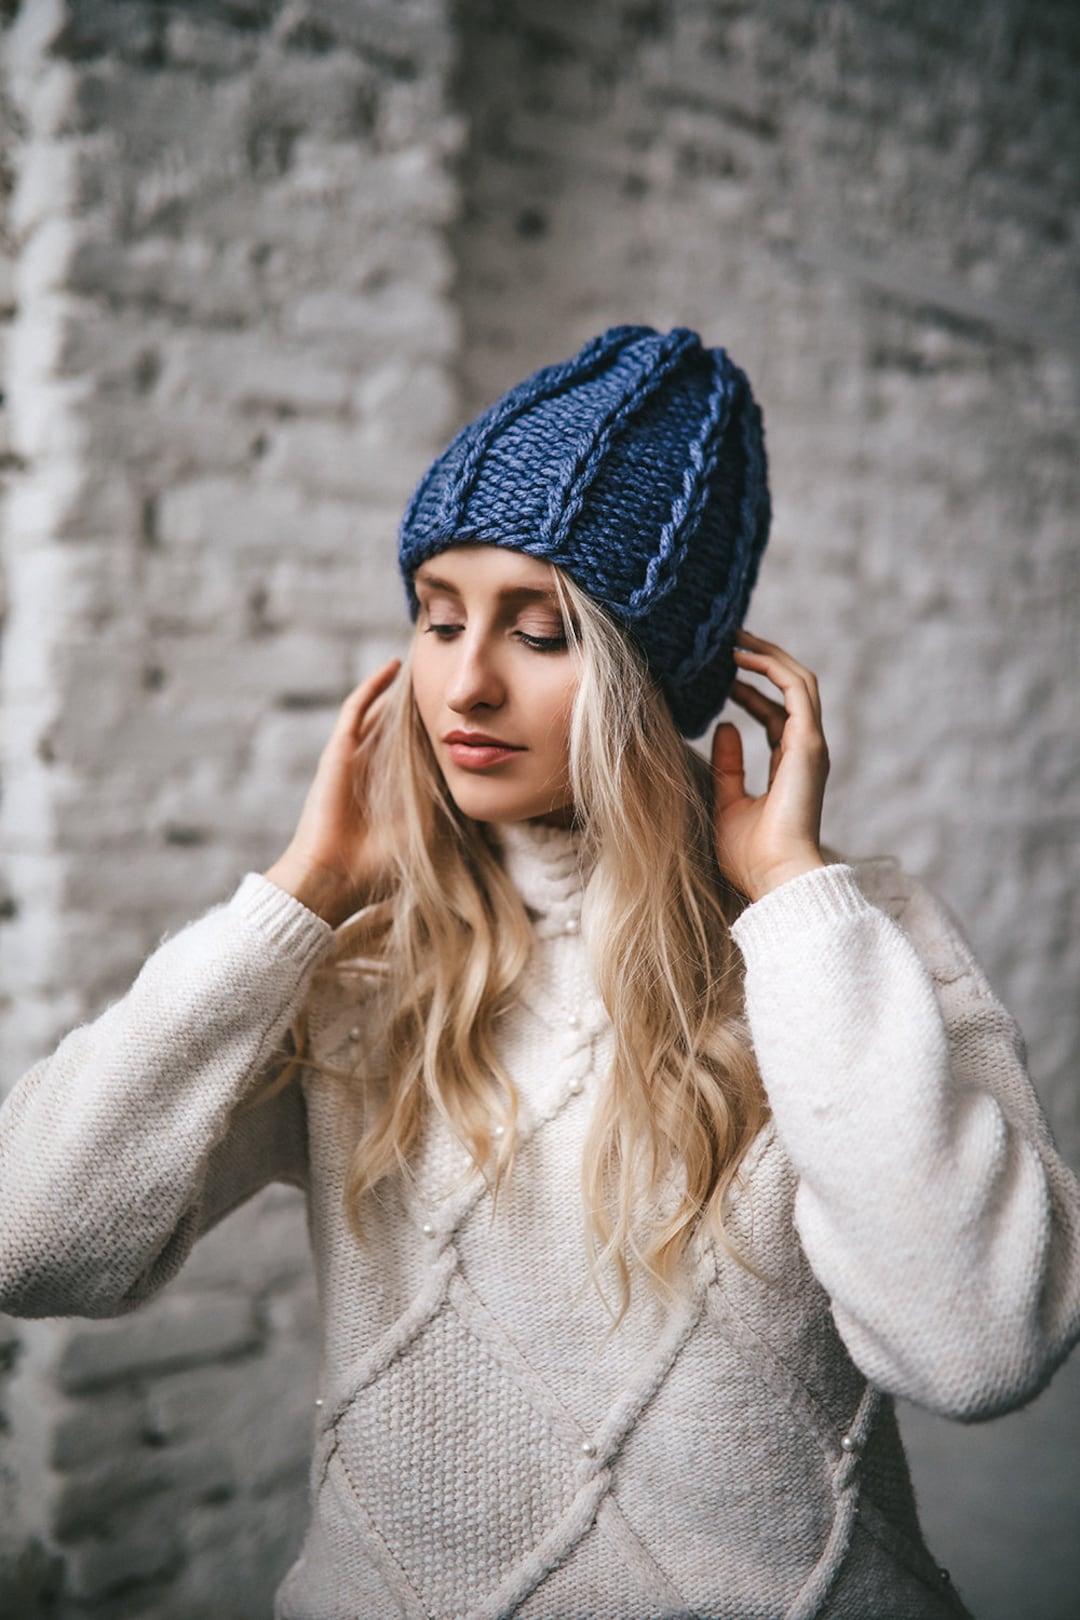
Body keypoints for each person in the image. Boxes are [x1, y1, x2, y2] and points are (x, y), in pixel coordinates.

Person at [1, 324, 1078, 1620]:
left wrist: (793, 899)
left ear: (656, 671)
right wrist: (293, 899)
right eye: (438, 616)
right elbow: (28, 1241)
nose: (463, 681)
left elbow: (978, 1348)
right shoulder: (360, 966)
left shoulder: (841, 946)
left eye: (542, 629)